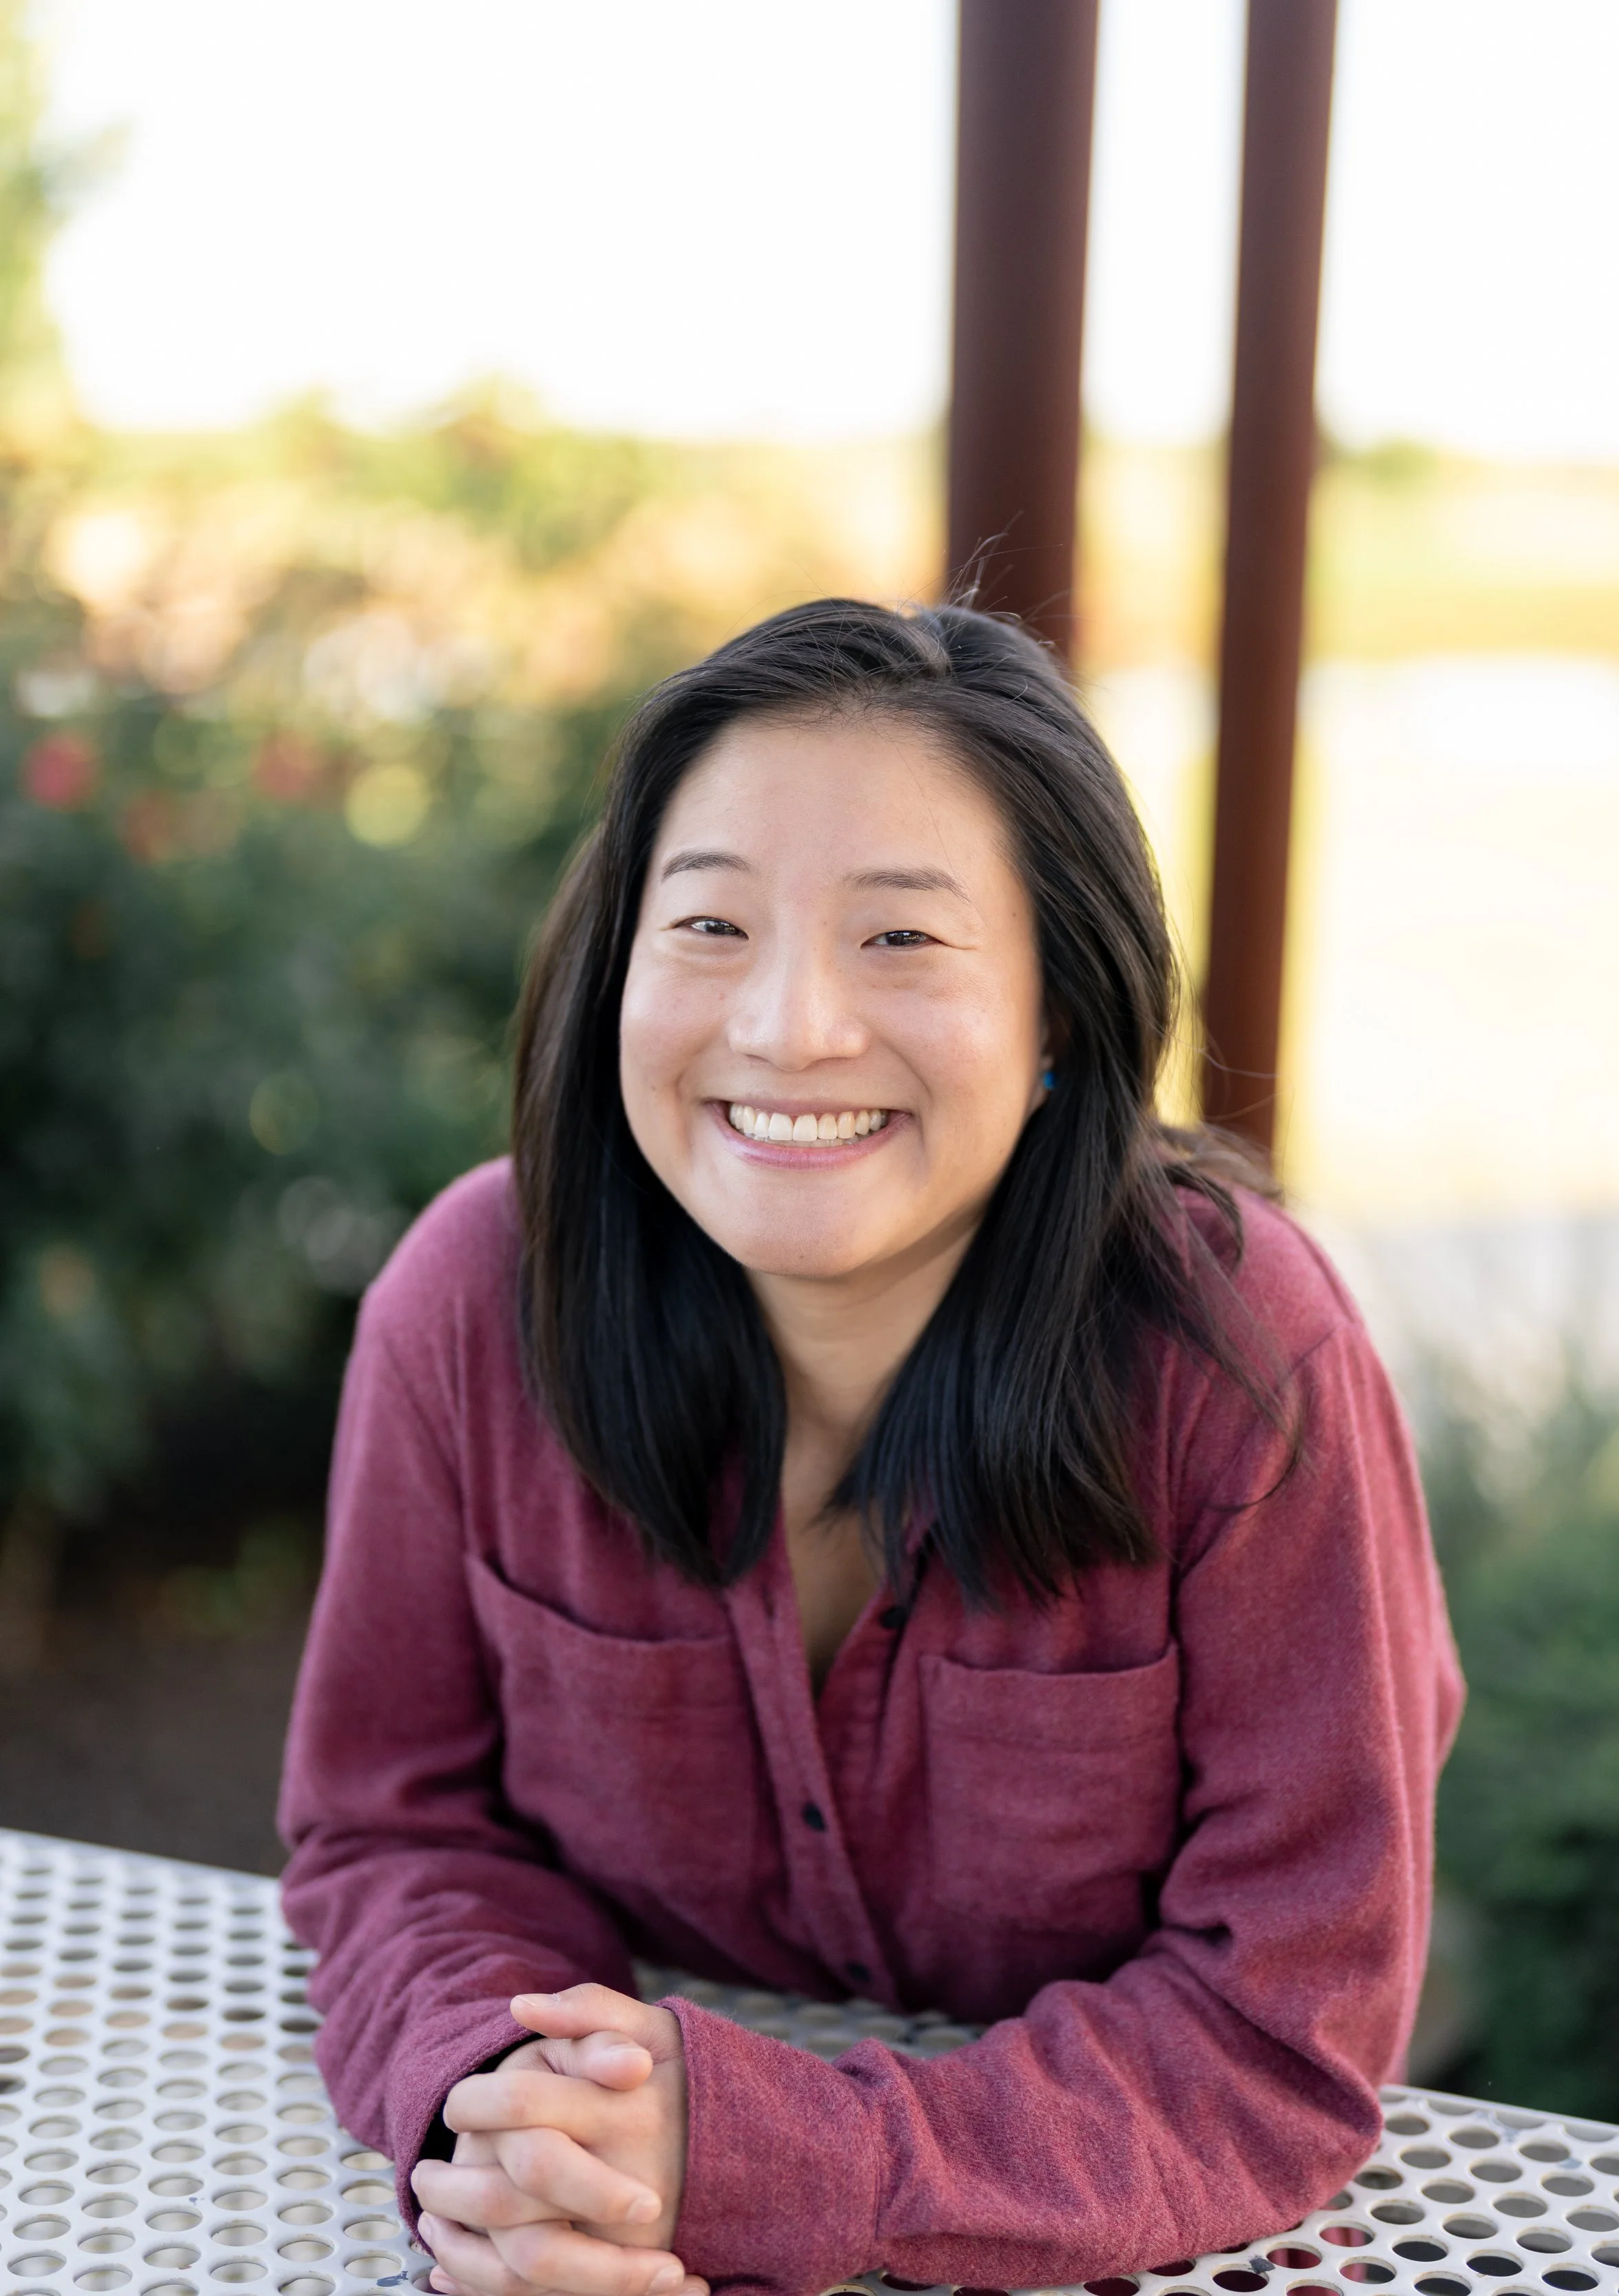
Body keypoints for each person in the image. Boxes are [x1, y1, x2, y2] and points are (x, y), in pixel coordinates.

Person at [278, 598, 1463, 2296]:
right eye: (709, 925)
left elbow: (1280, 2032)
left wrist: (768, 2160)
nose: (787, 1027)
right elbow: (392, 1829)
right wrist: (508, 2111)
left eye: (898, 940)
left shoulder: (1243, 1355)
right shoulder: (471, 1304)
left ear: (1062, 1012)